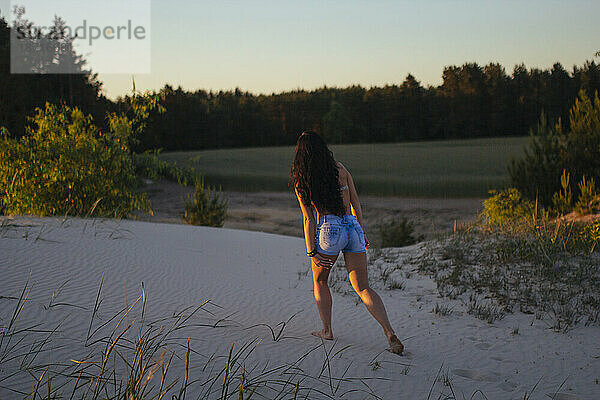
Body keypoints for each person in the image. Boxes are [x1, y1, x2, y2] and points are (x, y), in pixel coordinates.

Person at [289, 130, 404, 355]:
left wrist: (311, 250)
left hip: (328, 229)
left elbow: (308, 218)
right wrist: (360, 230)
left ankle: (327, 330)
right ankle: (389, 332)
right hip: (351, 227)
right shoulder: (341, 169)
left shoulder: (302, 179)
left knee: (320, 281)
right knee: (363, 287)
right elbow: (356, 204)